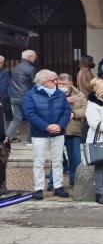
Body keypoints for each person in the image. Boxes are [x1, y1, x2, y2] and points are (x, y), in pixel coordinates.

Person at [23, 69, 71, 200]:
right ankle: (38, 188)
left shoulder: (60, 94)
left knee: (58, 161)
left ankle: (58, 186)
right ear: (43, 81)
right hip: (40, 134)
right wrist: (46, 126)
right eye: (53, 80)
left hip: (58, 132)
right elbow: (30, 113)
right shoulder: (31, 95)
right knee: (39, 161)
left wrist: (60, 126)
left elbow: (67, 110)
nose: (56, 82)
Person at [57, 74, 86, 187]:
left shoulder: (79, 95)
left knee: (75, 158)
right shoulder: (53, 95)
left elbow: (85, 110)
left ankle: (76, 180)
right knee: (57, 158)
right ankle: (53, 183)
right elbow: (48, 108)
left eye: (63, 84)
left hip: (74, 129)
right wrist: (63, 100)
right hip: (58, 129)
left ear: (70, 84)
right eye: (59, 84)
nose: (60, 86)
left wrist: (74, 113)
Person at [8, 49, 37, 144]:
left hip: (13, 97)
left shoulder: (15, 68)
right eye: (34, 56)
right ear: (30, 57)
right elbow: (36, 83)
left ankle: (5, 139)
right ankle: (29, 141)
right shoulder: (31, 69)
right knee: (31, 118)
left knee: (16, 119)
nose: (35, 58)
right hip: (26, 97)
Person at [0, 55, 10, 126]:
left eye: (0, 63)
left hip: (2, 99)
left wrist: (3, 100)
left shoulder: (5, 73)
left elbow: (6, 87)